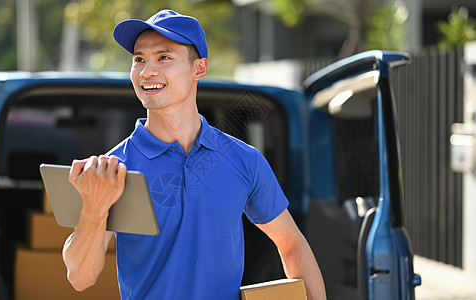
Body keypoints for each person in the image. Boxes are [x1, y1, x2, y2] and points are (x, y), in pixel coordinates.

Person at [62, 9, 326, 300]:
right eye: (139, 59)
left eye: (164, 57)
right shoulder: (115, 169)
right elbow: (80, 277)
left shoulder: (243, 161)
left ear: (198, 69)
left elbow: (291, 244)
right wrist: (95, 209)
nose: (147, 71)